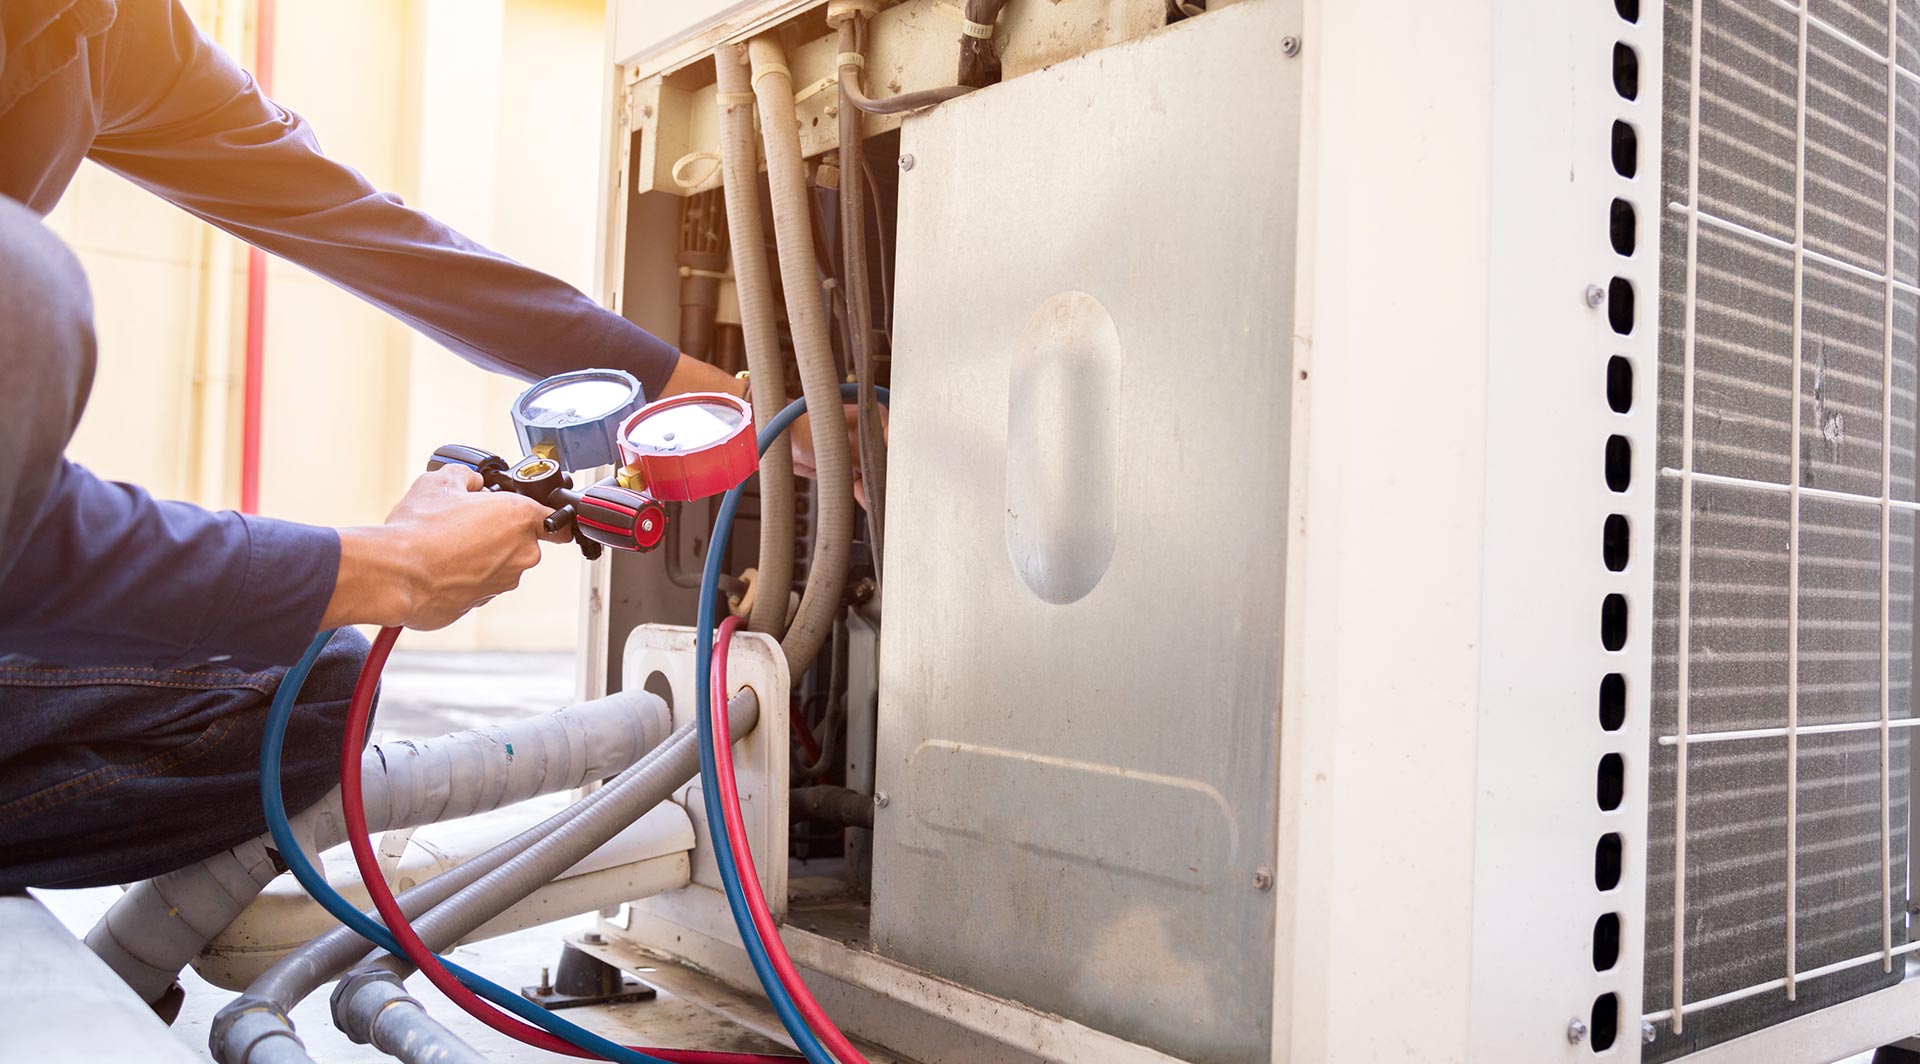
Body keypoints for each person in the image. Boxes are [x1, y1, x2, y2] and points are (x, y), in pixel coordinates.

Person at [0, 0, 764, 893]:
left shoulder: (113, 27)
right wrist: (384, 567)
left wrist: (720, 398)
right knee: (28, 288)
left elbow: (382, 238)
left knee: (305, 692)